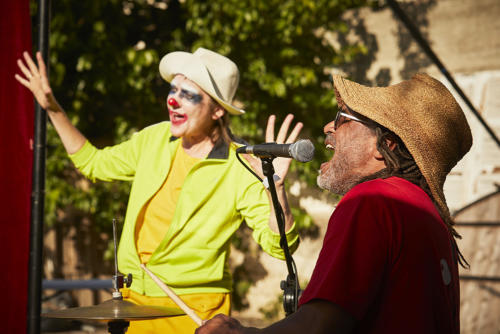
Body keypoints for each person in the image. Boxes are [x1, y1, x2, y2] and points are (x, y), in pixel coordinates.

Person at [15, 48, 302, 333]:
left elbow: (280, 247)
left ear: (217, 110)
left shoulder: (243, 163)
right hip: (133, 305)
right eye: (173, 89)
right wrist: (52, 107)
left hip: (194, 312)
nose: (173, 100)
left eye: (188, 94)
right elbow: (94, 163)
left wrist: (275, 189)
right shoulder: (154, 138)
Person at [195, 73, 472, 334]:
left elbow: (320, 325)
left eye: (343, 118)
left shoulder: (373, 201)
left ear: (384, 145)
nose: (329, 126)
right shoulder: (426, 211)